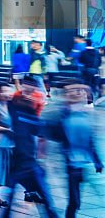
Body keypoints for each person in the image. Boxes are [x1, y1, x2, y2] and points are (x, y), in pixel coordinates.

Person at [0, 76, 58, 217]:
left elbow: (41, 132)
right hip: (22, 162)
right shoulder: (16, 110)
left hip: (27, 162)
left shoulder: (30, 114)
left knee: (45, 200)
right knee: (45, 200)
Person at [52, 82, 103, 218]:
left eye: (81, 91)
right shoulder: (63, 114)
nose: (78, 93)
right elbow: (56, 135)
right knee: (74, 201)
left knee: (78, 200)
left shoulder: (87, 115)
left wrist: (97, 161)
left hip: (84, 163)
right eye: (75, 91)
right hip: (71, 164)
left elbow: (90, 140)